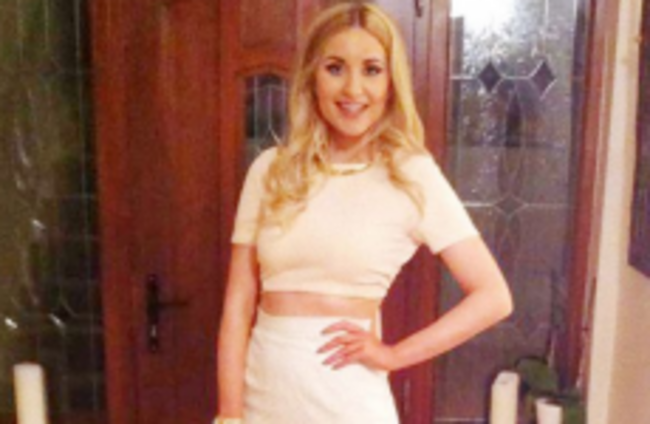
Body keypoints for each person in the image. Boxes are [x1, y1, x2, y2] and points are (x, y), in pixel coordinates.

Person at [215, 3, 513, 423]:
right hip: (263, 398)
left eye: (372, 70)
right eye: (335, 68)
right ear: (312, 76)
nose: (353, 89)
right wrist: (229, 413)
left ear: (391, 82)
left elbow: (493, 297)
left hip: (351, 403)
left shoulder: (411, 175)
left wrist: (393, 355)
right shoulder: (270, 171)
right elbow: (238, 305)